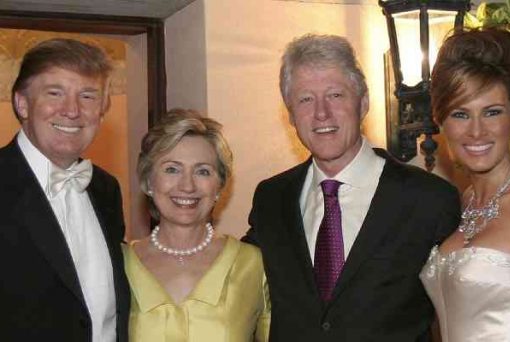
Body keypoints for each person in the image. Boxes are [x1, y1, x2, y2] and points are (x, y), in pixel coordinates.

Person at [242, 33, 461, 341]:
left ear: (364, 103)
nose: (321, 113)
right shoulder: (271, 199)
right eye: (305, 99)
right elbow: (231, 275)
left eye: (335, 95)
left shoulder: (429, 199)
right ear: (290, 115)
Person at [0, 38, 130, 341]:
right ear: (22, 103)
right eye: (54, 93)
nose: (72, 110)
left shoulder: (106, 189)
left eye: (87, 96)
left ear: (102, 110)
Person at [124, 108, 270, 342]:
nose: (187, 186)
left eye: (203, 171)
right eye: (172, 169)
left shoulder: (253, 265)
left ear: (220, 186)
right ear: (149, 181)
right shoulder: (117, 266)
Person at [420, 28, 510, 341]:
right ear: (440, 120)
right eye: (460, 114)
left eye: (492, 112)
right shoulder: (458, 204)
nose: (476, 131)